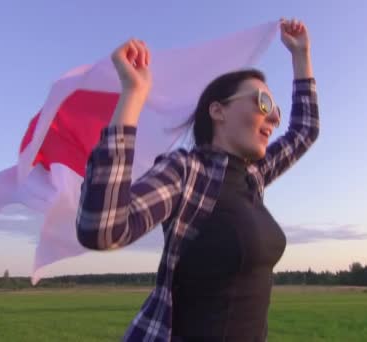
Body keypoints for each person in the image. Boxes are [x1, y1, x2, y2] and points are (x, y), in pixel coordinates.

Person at [75, 17, 319, 342]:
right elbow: (102, 229)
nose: (274, 117)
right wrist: (133, 95)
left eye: (274, 108)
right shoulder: (187, 173)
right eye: (263, 103)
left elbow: (304, 131)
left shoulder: (253, 177)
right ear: (218, 112)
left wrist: (300, 56)